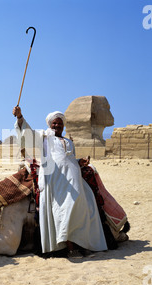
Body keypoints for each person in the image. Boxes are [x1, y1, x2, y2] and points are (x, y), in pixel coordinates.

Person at [13, 106, 107, 258]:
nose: (57, 126)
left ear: (63, 125)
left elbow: (68, 159)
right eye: (54, 123)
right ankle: (70, 248)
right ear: (49, 125)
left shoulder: (69, 142)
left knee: (86, 207)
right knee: (64, 211)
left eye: (59, 123)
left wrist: (79, 161)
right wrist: (20, 117)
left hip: (73, 181)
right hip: (56, 182)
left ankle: (83, 243)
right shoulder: (44, 138)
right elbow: (27, 134)